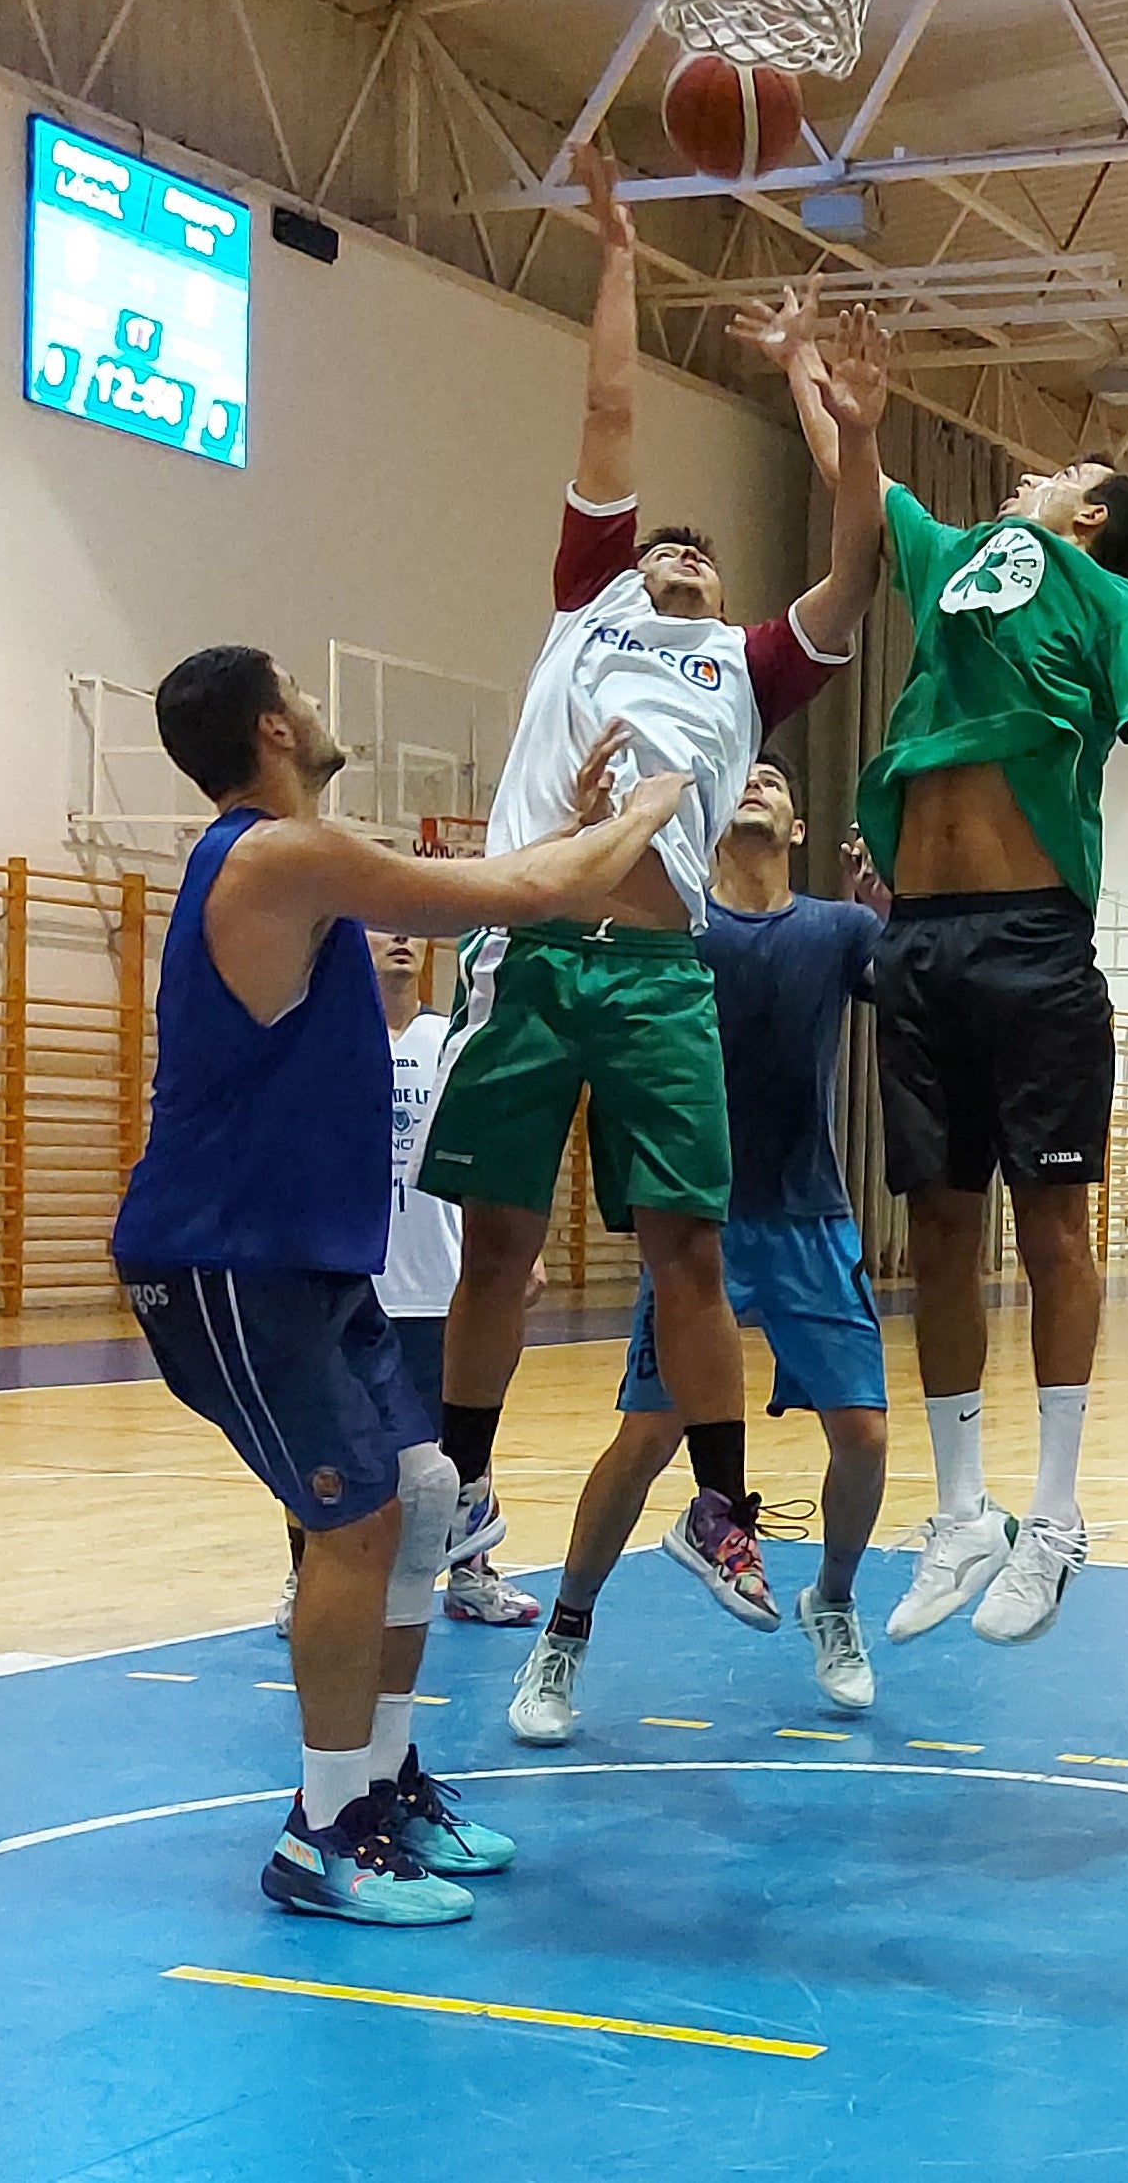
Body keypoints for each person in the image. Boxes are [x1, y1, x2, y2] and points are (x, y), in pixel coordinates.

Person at [111, 645, 683, 1924]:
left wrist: (582, 832)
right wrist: (654, 806)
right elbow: (519, 892)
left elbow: (501, 886)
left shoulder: (295, 864)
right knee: (356, 1519)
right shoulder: (270, 854)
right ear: (272, 722)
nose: (319, 714)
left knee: (423, 1496)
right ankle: (320, 1832)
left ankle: (381, 1776)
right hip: (222, 1257)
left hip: (304, 1258)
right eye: (300, 697)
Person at [416, 166, 885, 1636]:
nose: (678, 546)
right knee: (497, 1240)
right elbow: (608, 415)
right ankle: (463, 1491)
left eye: (700, 546)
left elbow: (858, 566)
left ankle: (727, 1510)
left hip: (663, 972)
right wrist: (619, 258)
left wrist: (844, 422)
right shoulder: (589, 607)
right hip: (535, 947)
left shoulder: (749, 664)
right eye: (662, 541)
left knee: (689, 1242)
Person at [854, 449, 1128, 1649]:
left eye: (1070, 468)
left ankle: (1057, 1512)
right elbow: (866, 487)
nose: (1034, 467)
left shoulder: (1111, 602)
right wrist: (834, 394)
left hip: (1031, 937)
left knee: (1052, 1224)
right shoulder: (957, 567)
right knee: (933, 1224)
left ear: (1088, 515)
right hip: (918, 940)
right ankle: (962, 1510)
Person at [510, 758, 896, 1742]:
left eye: (778, 775)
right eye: (745, 775)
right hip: (696, 1230)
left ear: (801, 827)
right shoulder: (677, 926)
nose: (761, 777)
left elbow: (915, 1007)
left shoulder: (840, 929)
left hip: (810, 1214)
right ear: (717, 816)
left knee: (864, 1435)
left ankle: (834, 1601)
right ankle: (561, 1636)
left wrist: (902, 925)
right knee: (645, 1439)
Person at [275, 930, 538, 1637]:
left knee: (463, 1436)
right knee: (322, 1440)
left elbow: (485, 1150)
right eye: (378, 923)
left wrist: (515, 1249)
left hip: (440, 1279)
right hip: (349, 1280)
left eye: (408, 925)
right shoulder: (327, 1040)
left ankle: (471, 1574)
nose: (398, 937)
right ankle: (307, 1577)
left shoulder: (451, 1039)